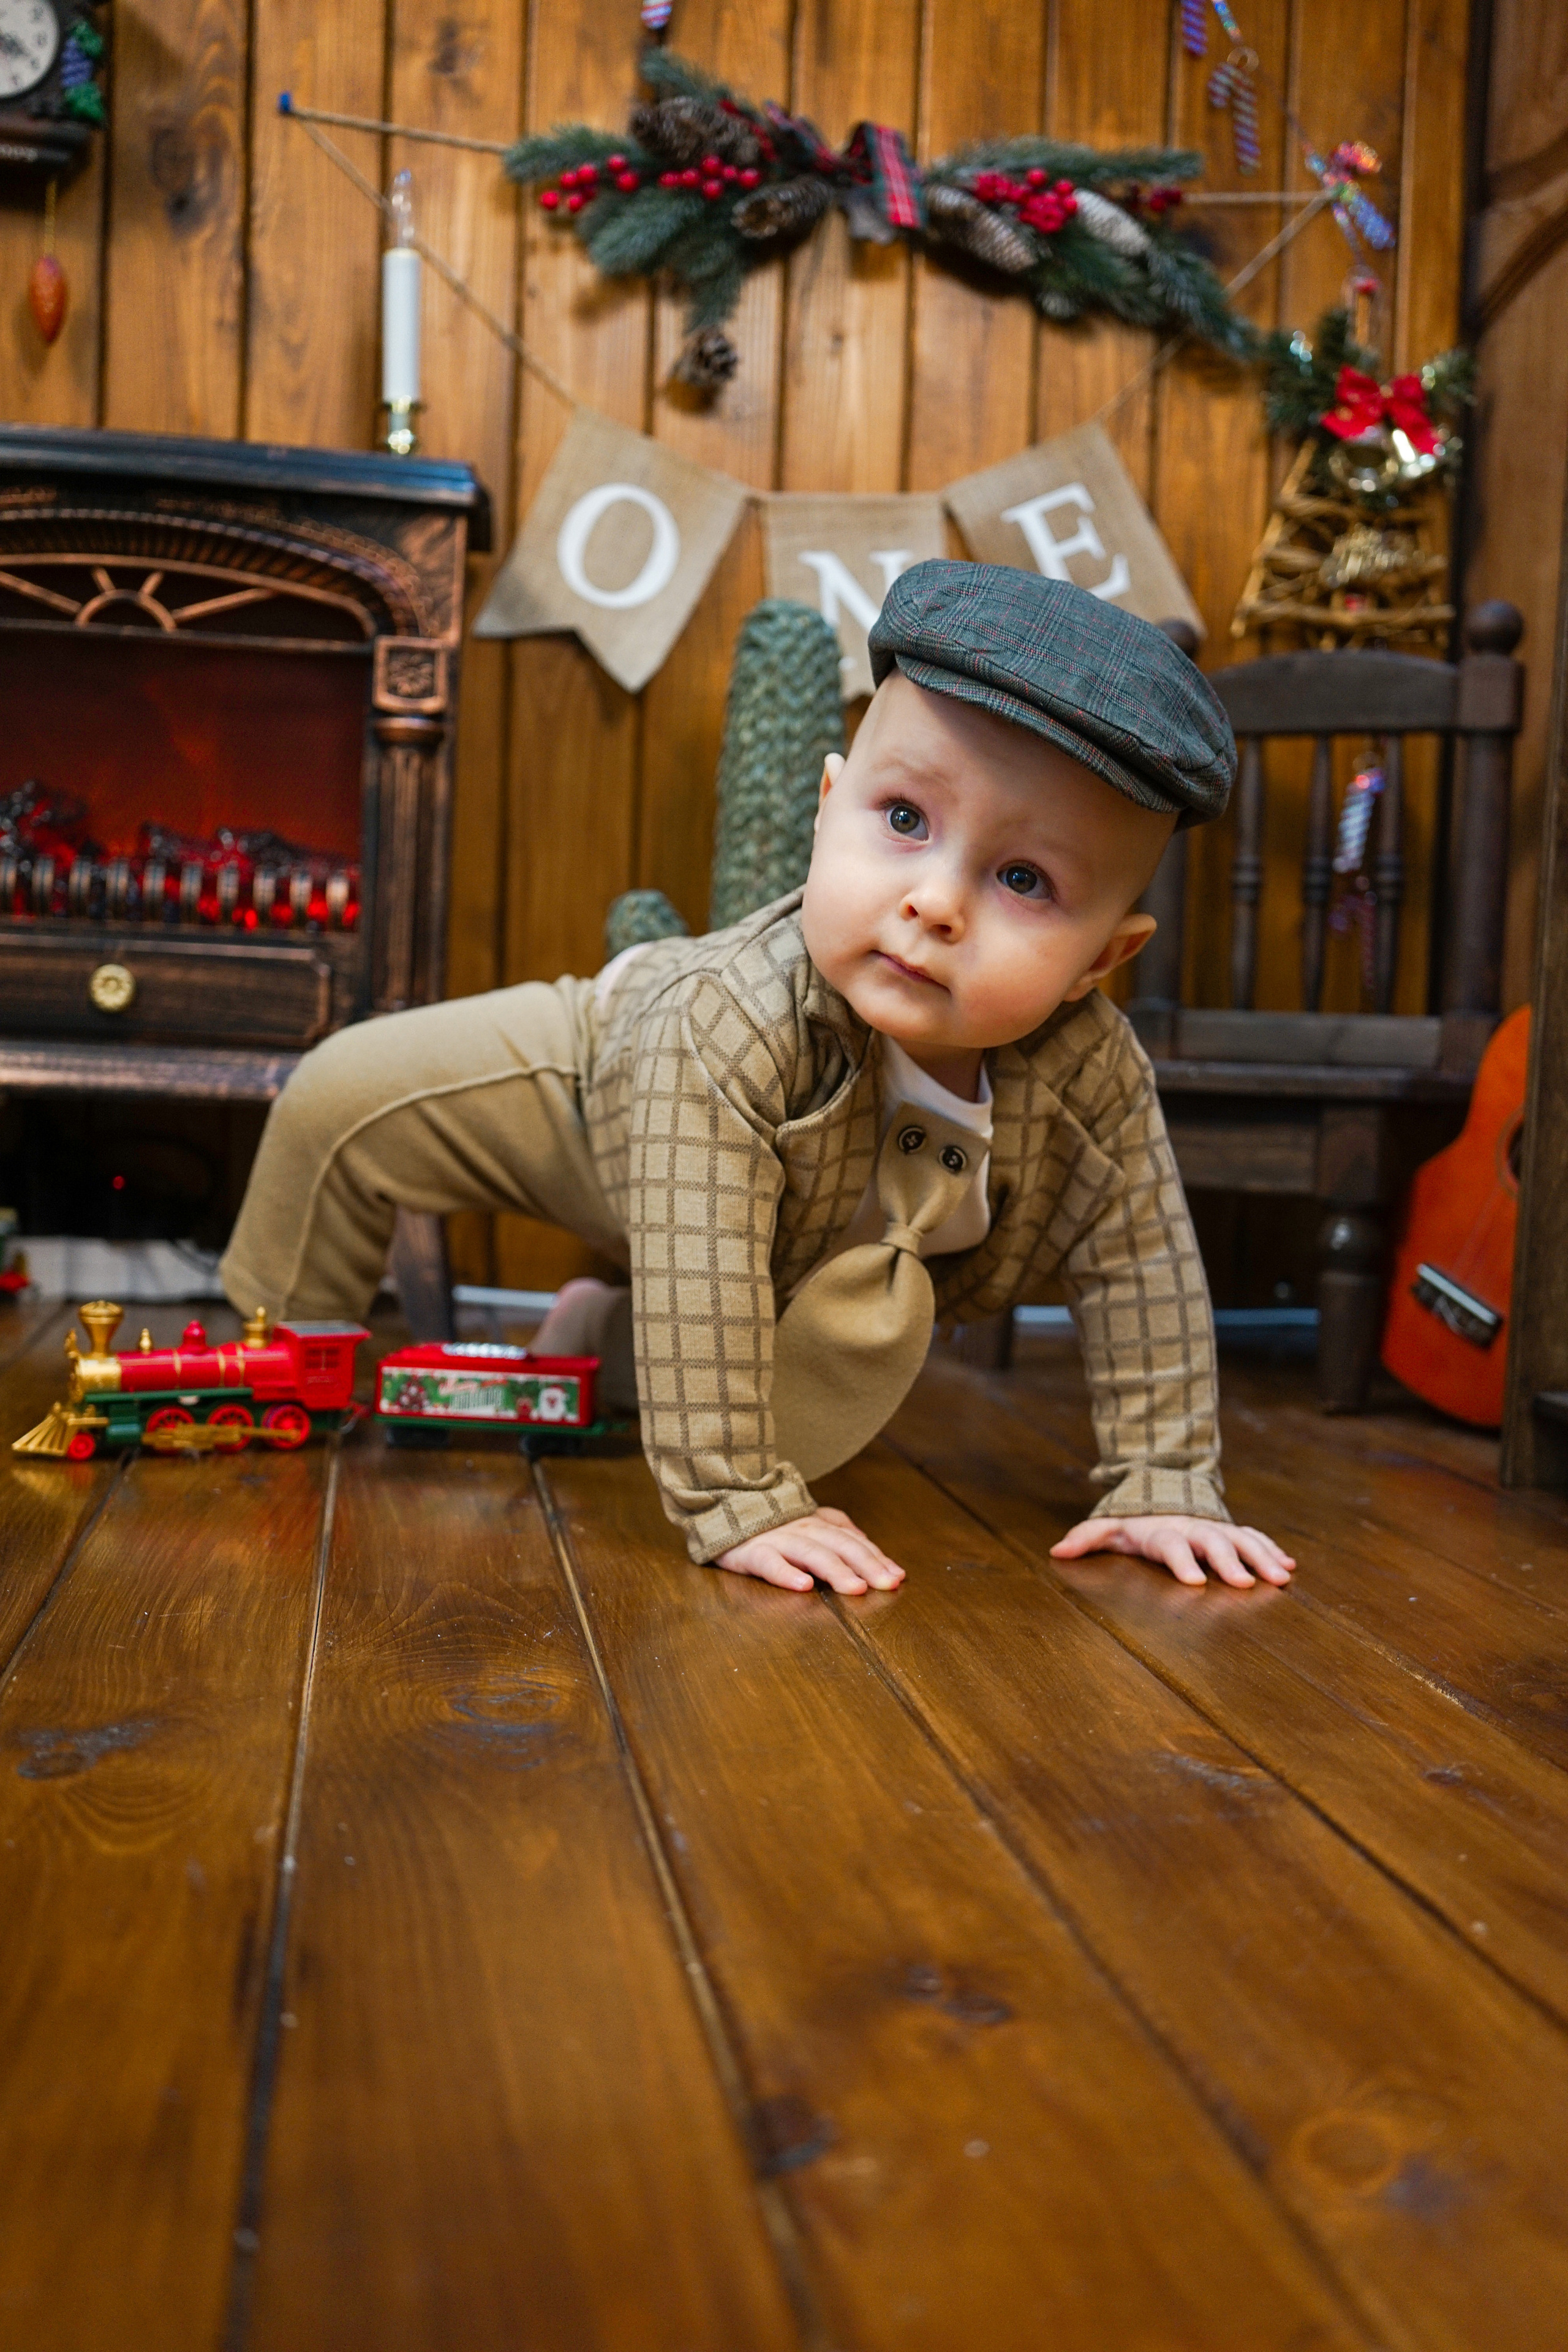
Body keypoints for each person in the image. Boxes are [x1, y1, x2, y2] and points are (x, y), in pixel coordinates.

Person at [221, 562, 1294, 1600]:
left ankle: (598, 1342)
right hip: (607, 1088)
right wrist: (741, 1497)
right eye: (905, 820)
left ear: (1104, 960)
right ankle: (284, 1360)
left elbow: (1141, 1256)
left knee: (733, 1348)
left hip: (800, 1245)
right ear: (830, 807)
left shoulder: (1093, 1075)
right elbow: (700, 1261)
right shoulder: (727, 1019)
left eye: (1024, 879)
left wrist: (1166, 1480)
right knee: (339, 1097)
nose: (935, 903)